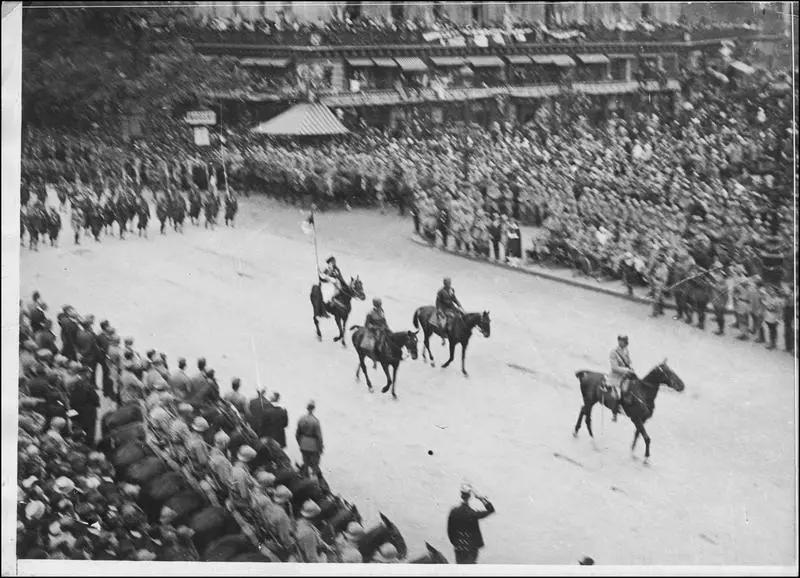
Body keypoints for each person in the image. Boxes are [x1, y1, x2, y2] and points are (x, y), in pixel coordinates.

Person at [447, 484, 495, 564]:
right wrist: (481, 498)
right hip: (471, 549)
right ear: (469, 496)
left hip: (459, 548)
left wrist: (456, 543)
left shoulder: (453, 512)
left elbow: (450, 532)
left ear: (461, 495)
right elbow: (491, 510)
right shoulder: (472, 514)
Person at [607, 334, 634, 421]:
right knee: (618, 394)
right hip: (616, 377)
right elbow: (614, 368)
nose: (624, 343)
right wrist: (626, 370)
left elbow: (629, 362)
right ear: (619, 341)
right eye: (622, 341)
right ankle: (615, 413)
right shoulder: (613, 352)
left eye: (625, 341)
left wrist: (630, 367)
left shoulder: (626, 351)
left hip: (625, 376)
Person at [296, 400, 323, 479]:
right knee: (315, 464)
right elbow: (319, 437)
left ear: (307, 408)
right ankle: (314, 480)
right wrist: (320, 448)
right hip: (313, 445)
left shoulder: (301, 419)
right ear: (313, 409)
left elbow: (297, 434)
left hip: (303, 443)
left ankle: (305, 478)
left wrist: (300, 443)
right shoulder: (315, 421)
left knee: (305, 462)